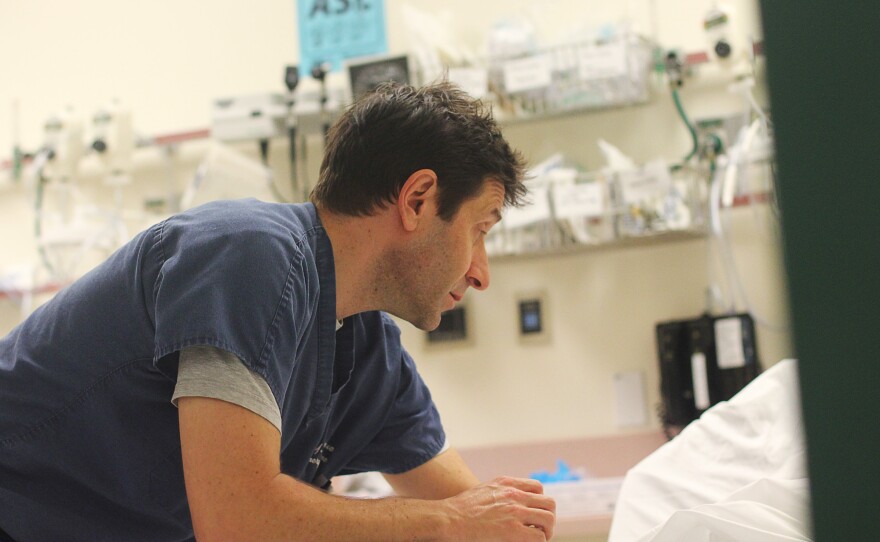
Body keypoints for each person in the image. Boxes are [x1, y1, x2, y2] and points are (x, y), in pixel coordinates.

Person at [0, 81, 557, 541]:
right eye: (479, 230)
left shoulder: (368, 351)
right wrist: (452, 524)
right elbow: (238, 520)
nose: (481, 272)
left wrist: (495, 520)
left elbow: (482, 517)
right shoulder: (248, 255)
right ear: (417, 200)